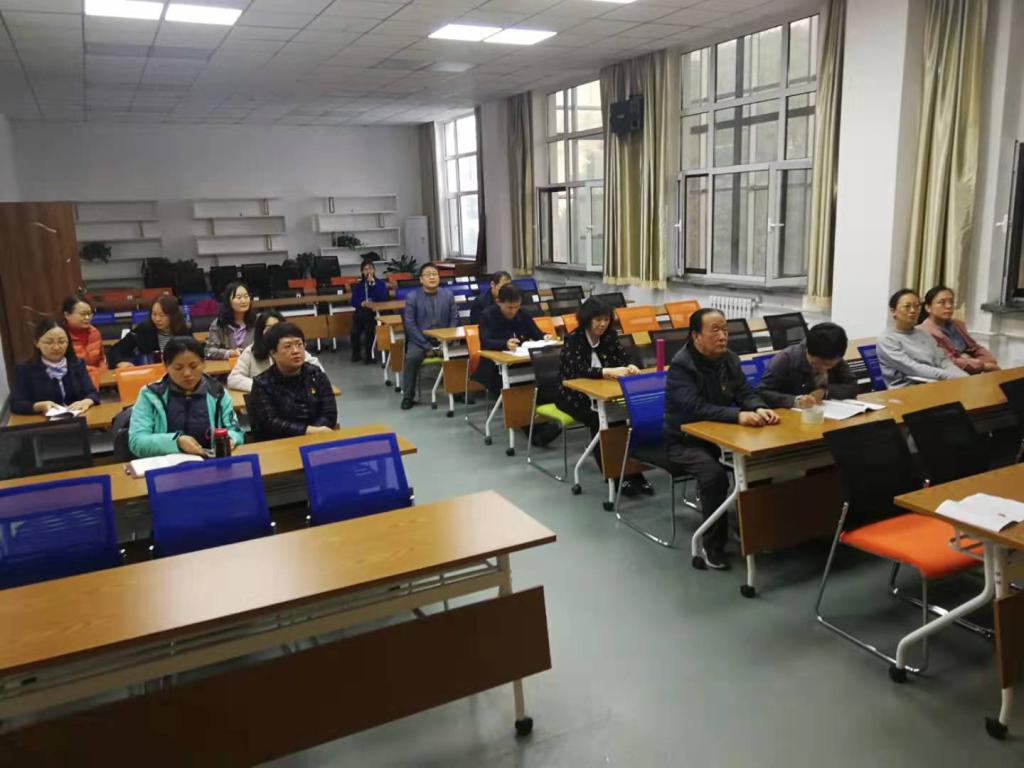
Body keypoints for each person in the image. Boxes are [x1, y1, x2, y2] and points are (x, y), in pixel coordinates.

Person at [665, 308, 780, 570]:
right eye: (714, 330)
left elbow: (745, 392)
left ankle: (749, 529)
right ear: (696, 335)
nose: (723, 336)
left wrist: (758, 407)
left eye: (725, 330)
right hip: (685, 440)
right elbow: (695, 407)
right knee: (714, 475)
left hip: (722, 436)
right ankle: (713, 545)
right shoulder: (682, 365)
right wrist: (738, 415)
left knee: (760, 461)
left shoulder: (729, 359)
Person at [555, 297, 651, 494]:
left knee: (625, 420)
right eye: (598, 319)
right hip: (574, 397)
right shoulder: (573, 339)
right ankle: (614, 476)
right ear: (587, 319)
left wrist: (631, 366)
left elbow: (623, 358)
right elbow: (578, 370)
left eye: (606, 319)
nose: (603, 324)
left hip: (604, 395)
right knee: (602, 422)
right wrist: (606, 371)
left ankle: (634, 473)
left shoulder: (609, 336)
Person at [127, 336, 244, 458]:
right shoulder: (150, 395)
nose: (187, 374)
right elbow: (137, 441)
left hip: (209, 461)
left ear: (203, 363)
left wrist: (230, 440)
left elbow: (235, 432)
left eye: (193, 366)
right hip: (165, 465)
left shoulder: (218, 393)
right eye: (178, 368)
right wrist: (176, 442)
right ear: (166, 366)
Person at [248, 322, 338, 441]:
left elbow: (329, 413)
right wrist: (307, 431)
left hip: (317, 440)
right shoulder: (262, 384)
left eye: (299, 344)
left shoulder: (316, 374)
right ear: (273, 353)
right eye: (288, 346)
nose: (296, 351)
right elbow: (271, 423)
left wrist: (315, 432)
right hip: (280, 445)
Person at [877, 289, 968, 387]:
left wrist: (963, 377)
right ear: (893, 311)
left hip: (936, 382)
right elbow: (912, 368)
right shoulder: (887, 339)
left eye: (916, 306)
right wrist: (950, 377)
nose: (913, 311)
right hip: (907, 388)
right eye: (907, 306)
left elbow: (942, 360)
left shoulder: (923, 332)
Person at [400, 262, 460, 410]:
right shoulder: (412, 297)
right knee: (412, 358)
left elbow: (454, 320)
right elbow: (410, 325)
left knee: (460, 355)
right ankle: (408, 396)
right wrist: (426, 346)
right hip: (420, 341)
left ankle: (458, 390)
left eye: (435, 274)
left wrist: (448, 341)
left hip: (445, 340)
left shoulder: (448, 295)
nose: (432, 277)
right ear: (421, 279)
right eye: (428, 275)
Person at [757, 322, 859, 408]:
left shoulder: (834, 354)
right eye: (818, 363)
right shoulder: (785, 359)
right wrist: (795, 400)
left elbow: (852, 386)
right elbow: (762, 392)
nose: (823, 368)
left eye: (829, 365)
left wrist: (825, 392)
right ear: (808, 351)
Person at [11, 319, 100, 415]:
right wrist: (39, 406)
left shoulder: (77, 364)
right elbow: (16, 404)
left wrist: (87, 401)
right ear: (37, 343)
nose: (56, 347)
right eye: (49, 342)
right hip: (43, 421)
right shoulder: (25, 369)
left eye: (61, 342)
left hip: (78, 418)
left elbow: (92, 393)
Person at [474, 283, 551, 394]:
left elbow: (536, 334)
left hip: (521, 361)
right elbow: (485, 342)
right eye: (509, 307)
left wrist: (545, 337)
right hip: (494, 365)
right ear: (499, 302)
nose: (513, 311)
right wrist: (505, 344)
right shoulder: (487, 316)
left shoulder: (523, 314)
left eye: (517, 307)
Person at [227, 309, 323, 393]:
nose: (275, 331)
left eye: (278, 327)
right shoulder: (251, 351)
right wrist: (265, 386)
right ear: (261, 330)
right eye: (269, 328)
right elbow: (233, 379)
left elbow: (320, 372)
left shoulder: (294, 350)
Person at [919, 286, 999, 374]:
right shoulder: (925, 331)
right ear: (928, 307)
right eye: (942, 302)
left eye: (951, 302)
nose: (949, 306)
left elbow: (975, 348)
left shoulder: (957, 324)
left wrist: (989, 361)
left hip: (972, 366)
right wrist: (983, 366)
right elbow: (948, 361)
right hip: (951, 373)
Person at [108, 294, 190, 368]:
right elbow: (115, 350)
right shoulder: (144, 329)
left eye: (162, 315)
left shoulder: (183, 330)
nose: (157, 319)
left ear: (173, 316)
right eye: (154, 314)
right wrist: (119, 363)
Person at [349, 259, 390, 363]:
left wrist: (373, 285)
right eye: (366, 269)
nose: (368, 271)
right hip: (362, 312)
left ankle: (369, 355)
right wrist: (361, 303)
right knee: (355, 331)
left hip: (376, 312)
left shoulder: (380, 283)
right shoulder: (359, 285)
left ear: (374, 270)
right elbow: (353, 300)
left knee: (369, 328)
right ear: (362, 272)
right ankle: (356, 354)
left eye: (370, 268)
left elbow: (383, 297)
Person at [205, 281, 256, 360]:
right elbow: (209, 351)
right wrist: (230, 353)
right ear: (228, 301)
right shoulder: (219, 323)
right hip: (227, 366)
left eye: (246, 296)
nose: (243, 301)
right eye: (239, 297)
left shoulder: (256, 322)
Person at [61, 295, 107, 375]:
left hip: (97, 376)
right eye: (83, 314)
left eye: (89, 314)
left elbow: (101, 358)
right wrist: (90, 370)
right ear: (67, 315)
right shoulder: (60, 336)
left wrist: (103, 371)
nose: (87, 317)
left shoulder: (94, 332)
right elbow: (62, 365)